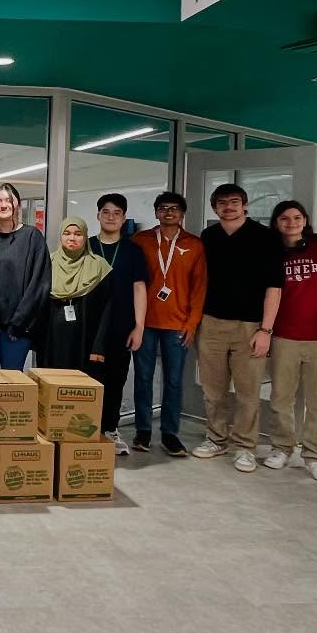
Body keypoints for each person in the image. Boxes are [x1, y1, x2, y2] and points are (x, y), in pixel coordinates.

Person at [192, 183, 284, 473]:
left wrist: (266, 331)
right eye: (222, 203)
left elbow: (274, 288)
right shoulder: (209, 237)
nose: (228, 207)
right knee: (213, 390)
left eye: (234, 201)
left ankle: (245, 446)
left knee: (247, 391)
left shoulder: (265, 237)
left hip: (250, 326)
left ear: (245, 205)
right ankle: (216, 438)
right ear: (214, 208)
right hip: (211, 324)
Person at [264, 201, 317, 482]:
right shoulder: (272, 251)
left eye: (297, 217)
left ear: (305, 220)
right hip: (284, 335)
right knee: (281, 397)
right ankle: (281, 447)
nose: (291, 223)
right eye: (284, 218)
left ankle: (315, 456)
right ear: (276, 222)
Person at [130, 192, 206, 456]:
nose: (169, 212)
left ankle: (170, 433)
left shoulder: (194, 244)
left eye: (174, 208)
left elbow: (199, 287)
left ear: (182, 214)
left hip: (178, 324)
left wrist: (192, 323)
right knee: (143, 378)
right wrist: (134, 322)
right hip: (145, 322)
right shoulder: (140, 240)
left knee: (173, 380)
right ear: (156, 213)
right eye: (163, 208)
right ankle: (143, 430)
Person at [87, 194, 148, 456]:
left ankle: (110, 429)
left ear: (123, 219)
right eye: (106, 212)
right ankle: (87, 430)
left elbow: (139, 288)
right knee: (89, 381)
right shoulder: (87, 246)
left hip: (121, 328)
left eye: (116, 213)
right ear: (98, 215)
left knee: (115, 381)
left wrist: (139, 327)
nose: (111, 217)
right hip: (89, 329)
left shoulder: (133, 251)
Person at [0, 183, 50, 370]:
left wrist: (20, 321)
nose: (3, 205)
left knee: (10, 383)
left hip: (17, 326)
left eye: (8, 200)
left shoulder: (32, 237)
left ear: (17, 204)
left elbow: (39, 284)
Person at [39, 217, 112, 378]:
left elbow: (107, 311)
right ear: (61, 236)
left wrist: (98, 346)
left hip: (85, 342)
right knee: (51, 385)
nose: (72, 238)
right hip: (51, 342)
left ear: (85, 237)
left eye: (78, 234)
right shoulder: (48, 263)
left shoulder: (99, 267)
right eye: (67, 233)